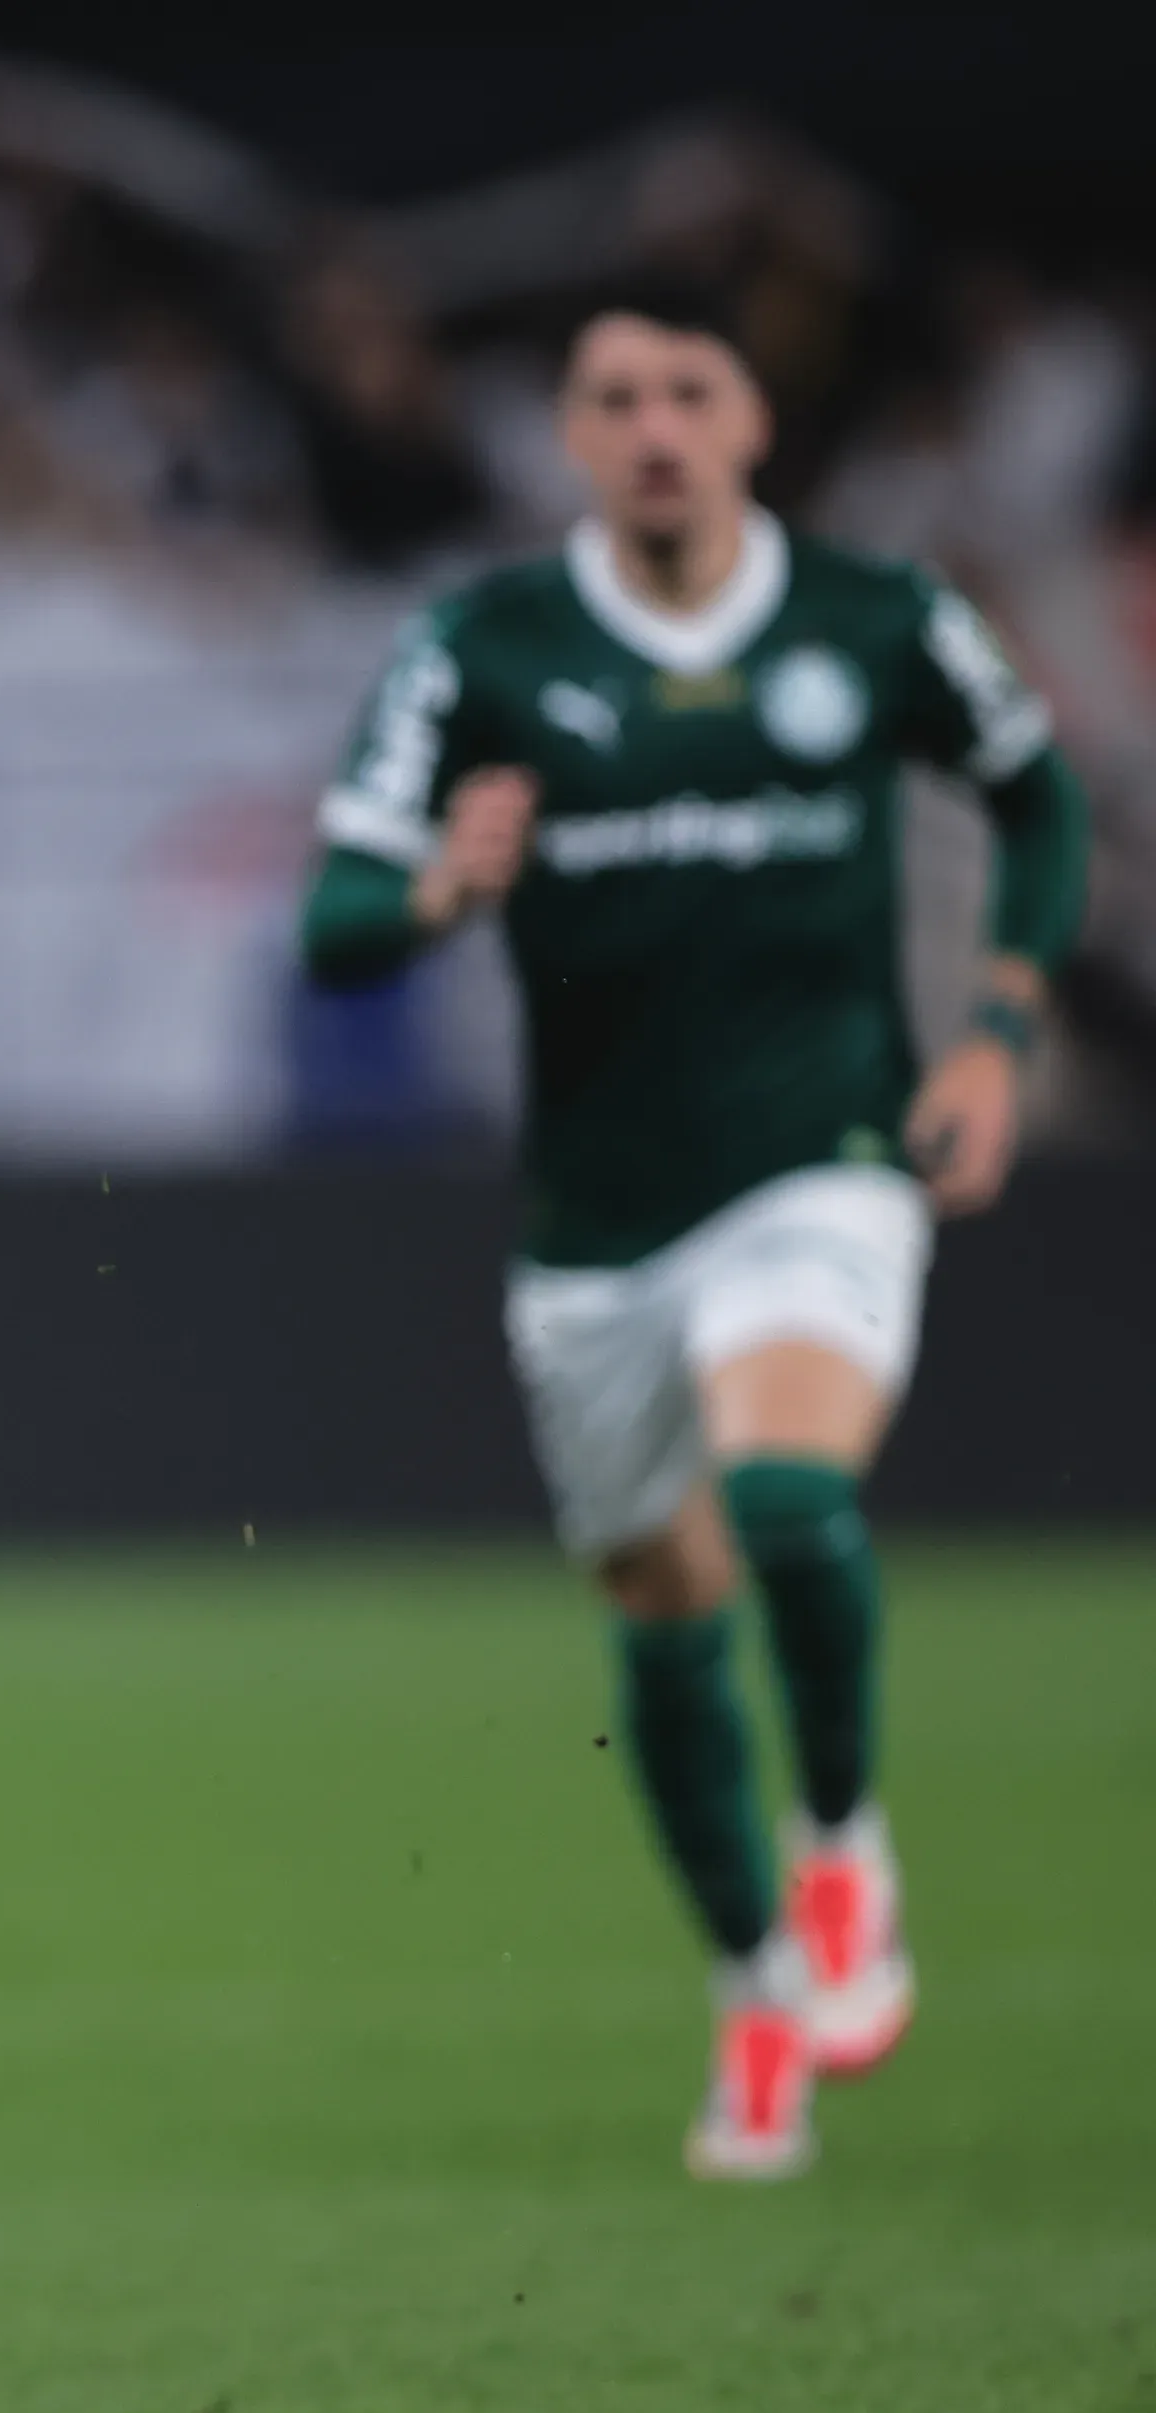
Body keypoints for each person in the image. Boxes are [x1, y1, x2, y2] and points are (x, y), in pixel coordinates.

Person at [299, 283, 1090, 2180]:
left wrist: (994, 1031)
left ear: (750, 422)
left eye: (688, 390)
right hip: (598, 1229)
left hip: (825, 1153)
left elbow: (1041, 807)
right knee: (662, 1619)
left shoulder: (876, 619)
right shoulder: (481, 646)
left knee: (791, 1495)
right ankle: (752, 1986)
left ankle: (843, 1852)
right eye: (615, 396)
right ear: (575, 437)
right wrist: (439, 890)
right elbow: (335, 922)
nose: (654, 425)